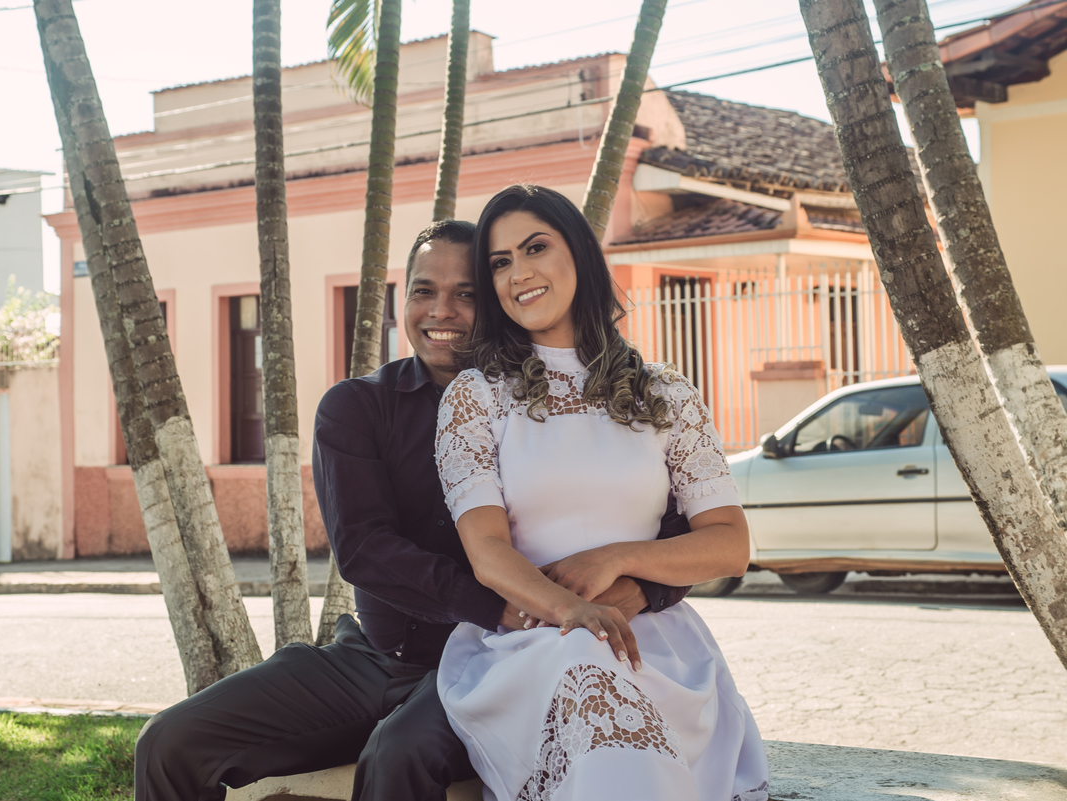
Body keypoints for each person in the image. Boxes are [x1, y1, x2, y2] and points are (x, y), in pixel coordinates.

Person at [134, 219, 693, 801]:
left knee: (395, 757)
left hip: (498, 659)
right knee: (169, 743)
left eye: (467, 294)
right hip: (371, 659)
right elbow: (365, 550)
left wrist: (639, 593)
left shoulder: (552, 403)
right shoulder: (357, 407)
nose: (441, 311)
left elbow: (673, 529)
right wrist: (508, 606)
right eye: (424, 291)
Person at [434, 185, 770, 801]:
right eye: (500, 262)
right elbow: (486, 552)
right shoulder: (476, 397)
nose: (519, 273)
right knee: (592, 696)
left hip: (655, 641)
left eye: (535, 247)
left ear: (582, 256)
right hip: (535, 641)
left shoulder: (666, 393)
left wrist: (616, 558)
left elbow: (729, 546)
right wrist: (573, 612)